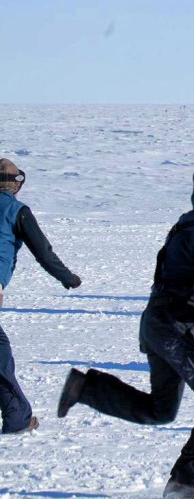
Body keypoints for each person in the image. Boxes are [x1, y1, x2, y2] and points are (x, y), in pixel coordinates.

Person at [56, 161, 194, 499]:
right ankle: (186, 484)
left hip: (157, 325)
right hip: (178, 327)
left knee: (161, 409)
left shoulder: (187, 224)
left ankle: (85, 388)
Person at [0, 158, 82, 434]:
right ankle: (17, 419)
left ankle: (17, 418)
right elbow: (43, 251)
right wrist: (67, 278)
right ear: (15, 184)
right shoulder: (17, 210)